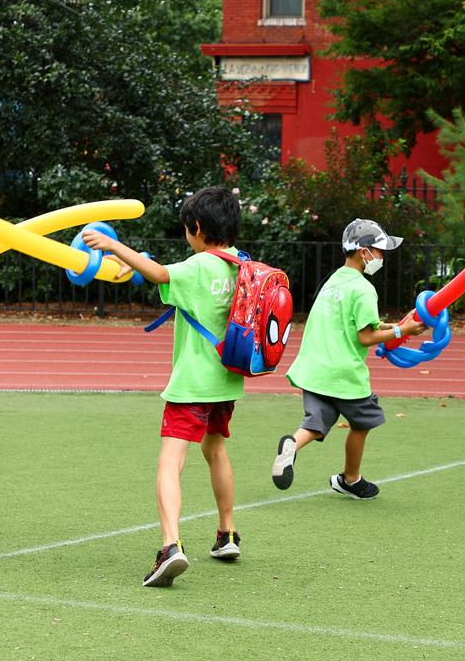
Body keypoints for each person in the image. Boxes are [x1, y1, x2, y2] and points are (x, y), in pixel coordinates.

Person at [84, 186, 244, 587]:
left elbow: (160, 273)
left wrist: (112, 245)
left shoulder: (197, 267)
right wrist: (136, 262)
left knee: (171, 460)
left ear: (196, 228)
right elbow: (162, 271)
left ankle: (170, 546)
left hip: (193, 382)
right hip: (227, 381)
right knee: (216, 449)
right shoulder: (241, 265)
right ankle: (227, 533)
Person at [270, 219, 426, 499]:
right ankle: (350, 479)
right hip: (344, 374)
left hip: (314, 370)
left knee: (316, 423)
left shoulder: (334, 280)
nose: (382, 256)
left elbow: (357, 323)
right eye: (379, 251)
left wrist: (394, 327)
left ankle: (291, 445)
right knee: (363, 423)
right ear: (363, 251)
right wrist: (402, 330)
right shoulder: (365, 289)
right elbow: (365, 336)